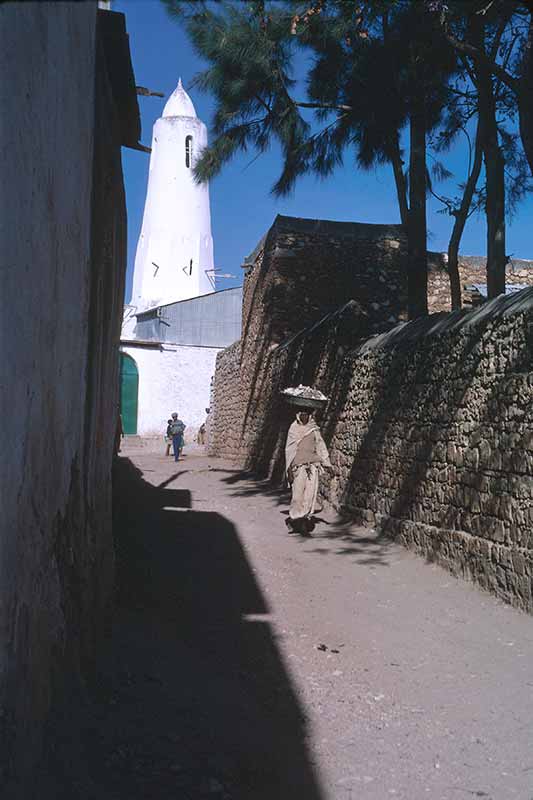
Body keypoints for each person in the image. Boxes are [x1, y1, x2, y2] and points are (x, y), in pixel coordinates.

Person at [285, 408, 332, 535]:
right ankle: (294, 519)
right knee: (297, 495)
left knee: (309, 495)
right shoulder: (293, 429)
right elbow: (289, 451)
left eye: (306, 414)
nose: (304, 417)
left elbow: (321, 446)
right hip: (298, 467)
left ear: (310, 416)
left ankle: (303, 521)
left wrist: (327, 463)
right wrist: (289, 469)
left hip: (312, 466)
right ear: (298, 415)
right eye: (302, 414)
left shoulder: (314, 429)